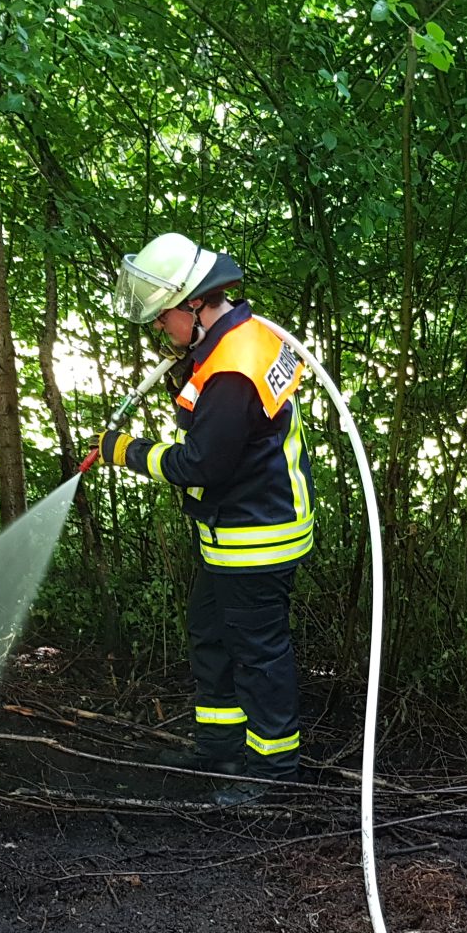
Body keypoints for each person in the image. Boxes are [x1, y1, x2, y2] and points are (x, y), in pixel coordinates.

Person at [95, 233, 315, 797]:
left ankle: (271, 773)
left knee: (260, 655)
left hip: (256, 537)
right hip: (236, 530)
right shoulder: (238, 338)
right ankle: (220, 747)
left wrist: (127, 451)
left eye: (162, 316)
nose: (158, 328)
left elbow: (201, 464)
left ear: (195, 303)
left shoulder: (232, 370)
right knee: (211, 633)